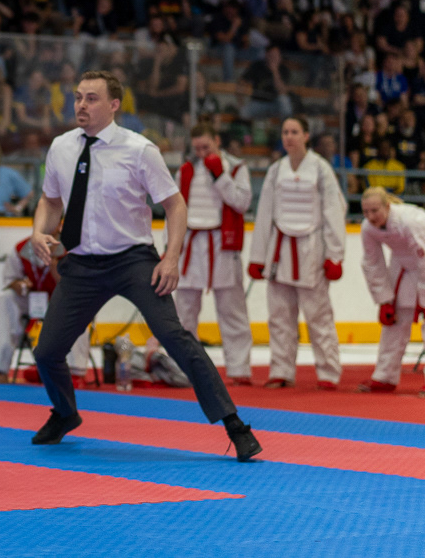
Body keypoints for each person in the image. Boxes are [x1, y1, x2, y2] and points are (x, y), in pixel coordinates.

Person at [27, 70, 261, 461]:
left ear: (114, 105)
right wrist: (38, 231)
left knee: (175, 337)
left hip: (132, 260)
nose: (81, 105)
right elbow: (50, 201)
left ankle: (235, 425)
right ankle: (65, 413)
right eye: (78, 97)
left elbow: (175, 205)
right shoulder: (61, 147)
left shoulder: (139, 150)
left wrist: (171, 257)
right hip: (82, 262)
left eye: (91, 98)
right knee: (47, 351)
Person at [248, 116, 347, 390]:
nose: (289, 137)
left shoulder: (321, 169)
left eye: (294, 132)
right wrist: (257, 257)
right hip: (279, 250)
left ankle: (328, 373)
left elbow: (335, 212)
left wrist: (335, 255)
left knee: (319, 317)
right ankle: (281, 371)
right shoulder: (276, 170)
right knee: (279, 317)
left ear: (306, 135)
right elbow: (264, 213)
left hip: (311, 250)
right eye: (285, 132)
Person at [358, 187, 425, 398]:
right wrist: (384, 299)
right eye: (366, 212)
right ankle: (385, 376)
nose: (370, 216)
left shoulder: (414, 221)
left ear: (388, 206)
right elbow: (372, 264)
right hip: (402, 262)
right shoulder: (368, 228)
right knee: (394, 318)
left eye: (375, 210)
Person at [173, 124, 254, 385]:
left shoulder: (237, 168)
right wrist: (170, 250)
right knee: (184, 312)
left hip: (223, 244)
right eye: (197, 148)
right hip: (191, 243)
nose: (201, 153)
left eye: (206, 147)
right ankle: (185, 369)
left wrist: (220, 175)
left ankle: (239, 369)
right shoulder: (185, 170)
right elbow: (175, 211)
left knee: (232, 311)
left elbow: (242, 203)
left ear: (217, 141)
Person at [0, 234, 92, 387]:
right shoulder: (21, 249)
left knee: (77, 301)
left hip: (62, 301)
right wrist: (19, 285)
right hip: (32, 301)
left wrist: (55, 269)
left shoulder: (73, 249)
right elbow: (10, 279)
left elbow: (80, 285)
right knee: (5, 298)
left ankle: (74, 372)